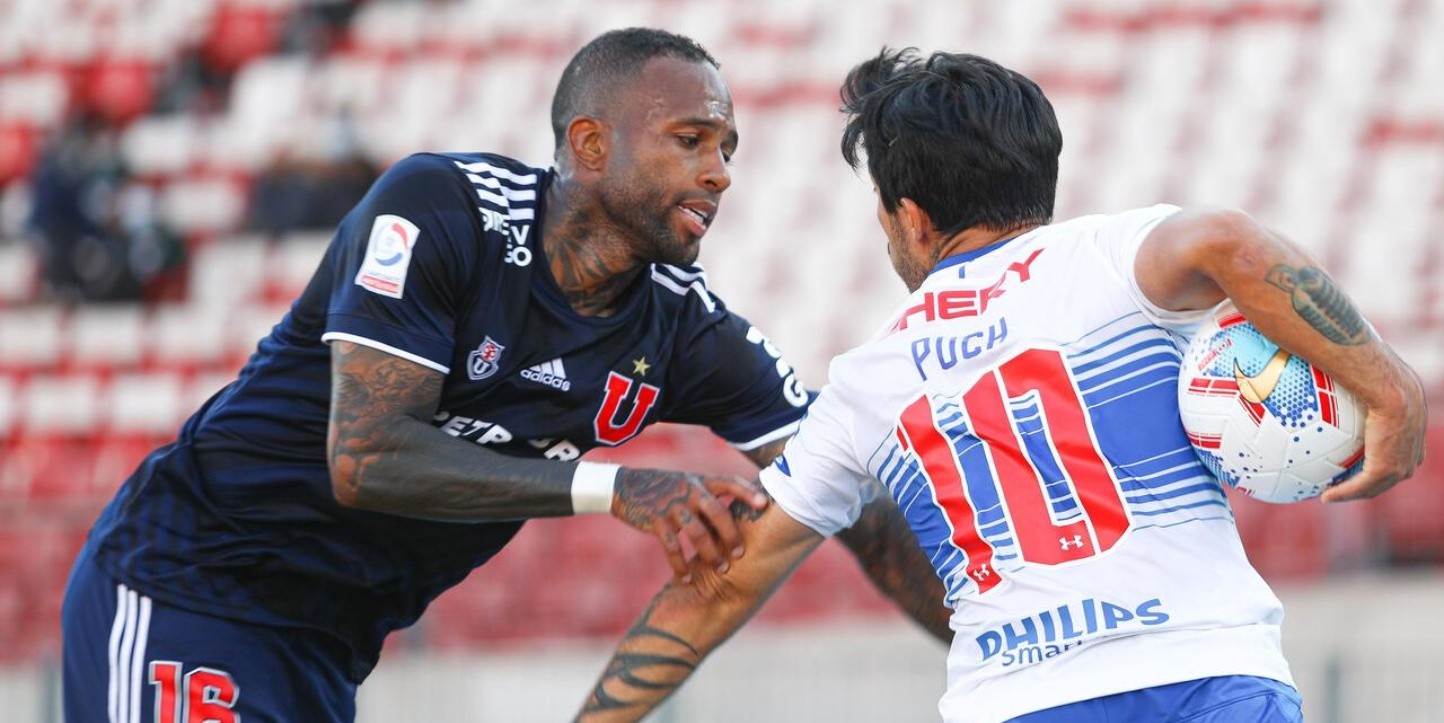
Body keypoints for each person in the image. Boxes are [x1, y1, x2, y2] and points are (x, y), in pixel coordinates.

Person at [61, 29, 951, 722]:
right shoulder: (440, 210)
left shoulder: (684, 326)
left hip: (324, 647)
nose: (719, 171)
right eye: (691, 139)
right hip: (186, 583)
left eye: (728, 147)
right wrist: (624, 486)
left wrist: (993, 638)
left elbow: (857, 502)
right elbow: (366, 458)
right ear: (591, 143)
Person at [575, 48, 1429, 723]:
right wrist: (1392, 391)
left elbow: (722, 582)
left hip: (1018, 699)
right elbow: (1233, 244)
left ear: (909, 213)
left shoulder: (869, 378)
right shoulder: (1114, 256)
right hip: (1206, 675)